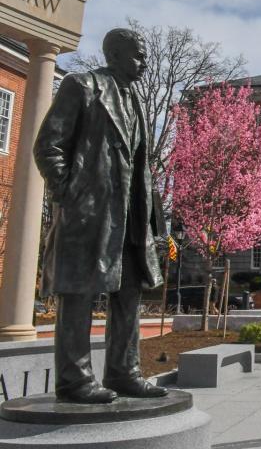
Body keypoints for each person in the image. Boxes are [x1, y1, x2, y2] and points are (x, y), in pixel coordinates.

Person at [35, 28, 167, 404]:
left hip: (130, 216)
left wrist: (153, 218)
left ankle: (125, 372)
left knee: (129, 293)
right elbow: (49, 145)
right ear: (115, 54)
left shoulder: (136, 101)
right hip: (90, 213)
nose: (144, 63)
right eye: (138, 55)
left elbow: (140, 166)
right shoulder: (82, 86)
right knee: (78, 293)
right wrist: (71, 195)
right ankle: (74, 380)